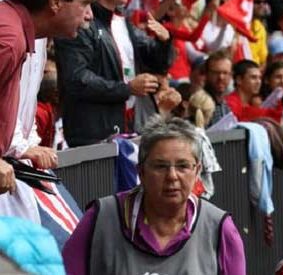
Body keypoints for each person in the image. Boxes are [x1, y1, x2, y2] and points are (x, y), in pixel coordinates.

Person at [62, 116, 245, 275]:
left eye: (182, 166)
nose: (172, 176)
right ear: (141, 172)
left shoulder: (218, 227)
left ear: (197, 171)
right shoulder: (103, 218)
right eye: (160, 166)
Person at [0, 0, 98, 194]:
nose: (89, 15)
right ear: (56, 1)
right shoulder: (8, 40)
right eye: (84, 3)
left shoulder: (14, 32)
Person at [54, 0, 174, 146]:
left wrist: (165, 42)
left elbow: (158, 63)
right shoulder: (81, 22)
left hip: (127, 124)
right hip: (92, 131)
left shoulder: (123, 22)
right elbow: (77, 79)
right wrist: (127, 89)